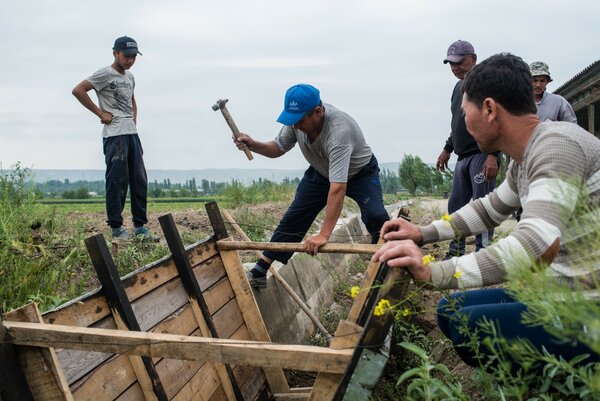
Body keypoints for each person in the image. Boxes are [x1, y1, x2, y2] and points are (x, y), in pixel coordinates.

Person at [372, 53, 600, 368]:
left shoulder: (556, 147)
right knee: (450, 310)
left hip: (587, 311)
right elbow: (490, 209)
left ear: (490, 109)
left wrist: (434, 272)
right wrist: (424, 233)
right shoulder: (527, 155)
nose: (464, 124)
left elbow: (535, 243)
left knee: (473, 329)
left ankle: (568, 382)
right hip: (559, 292)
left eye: (466, 113)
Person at [235, 84, 389, 289]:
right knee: (295, 217)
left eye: (299, 120)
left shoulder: (339, 131)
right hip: (321, 171)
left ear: (318, 112)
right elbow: (277, 148)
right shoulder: (295, 122)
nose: (295, 125)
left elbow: (338, 188)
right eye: (292, 120)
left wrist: (324, 235)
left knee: (376, 216)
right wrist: (253, 144)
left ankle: (382, 266)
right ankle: (260, 270)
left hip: (360, 173)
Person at [72, 36, 155, 241]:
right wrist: (101, 114)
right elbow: (78, 90)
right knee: (117, 181)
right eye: (127, 56)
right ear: (115, 53)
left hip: (131, 133)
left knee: (139, 180)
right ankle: (117, 228)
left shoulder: (130, 77)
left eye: (134, 57)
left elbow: (133, 101)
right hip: (114, 134)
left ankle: (140, 226)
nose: (130, 60)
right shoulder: (104, 74)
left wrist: (133, 121)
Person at [437, 40, 499, 258]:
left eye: (459, 62)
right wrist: (447, 148)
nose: (455, 67)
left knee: (483, 207)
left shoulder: (485, 84)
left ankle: (484, 253)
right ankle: (455, 251)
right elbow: (458, 122)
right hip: (462, 156)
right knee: (455, 208)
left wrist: (493, 155)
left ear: (473, 59)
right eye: (451, 64)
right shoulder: (457, 87)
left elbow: (496, 120)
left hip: (481, 154)